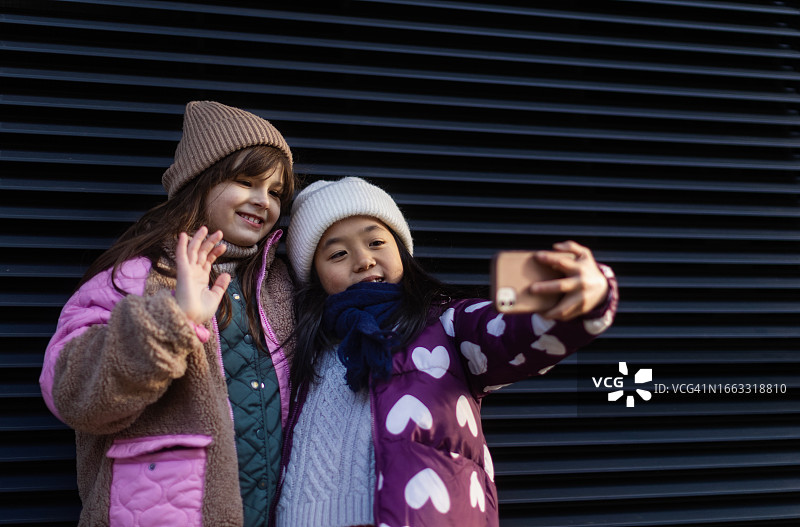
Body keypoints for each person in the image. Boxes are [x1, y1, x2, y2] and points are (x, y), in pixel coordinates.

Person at [273, 177, 619, 527]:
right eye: (338, 254)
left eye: (376, 241)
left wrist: (578, 300)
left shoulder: (446, 325)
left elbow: (507, 331)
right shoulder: (297, 349)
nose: (363, 260)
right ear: (314, 275)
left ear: (402, 249)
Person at [39, 101, 297, 526]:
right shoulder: (136, 276)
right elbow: (69, 390)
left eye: (275, 192)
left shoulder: (278, 285)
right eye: (247, 181)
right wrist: (171, 319)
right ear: (200, 182)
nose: (262, 201)